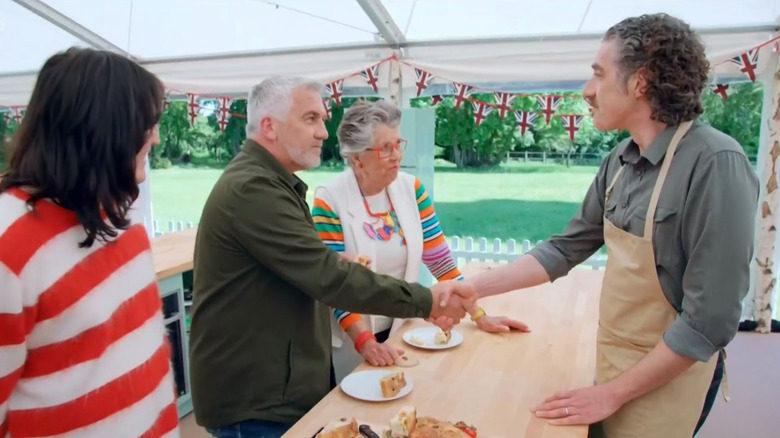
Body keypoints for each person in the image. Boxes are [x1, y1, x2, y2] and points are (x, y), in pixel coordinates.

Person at [461, 13, 759, 438]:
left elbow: (708, 322)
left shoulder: (715, 163)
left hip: (667, 375)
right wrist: (475, 288)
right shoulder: (620, 157)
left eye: (598, 74)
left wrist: (613, 393)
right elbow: (567, 248)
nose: (587, 90)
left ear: (640, 81)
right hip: (613, 359)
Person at [189, 76, 476, 438]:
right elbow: (328, 277)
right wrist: (426, 300)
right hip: (258, 397)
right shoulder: (254, 189)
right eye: (310, 119)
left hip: (280, 383)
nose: (324, 132)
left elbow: (314, 265)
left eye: (322, 120)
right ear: (269, 127)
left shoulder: (273, 183)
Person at [0, 48, 179, 438]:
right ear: (104, 128)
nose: (158, 138)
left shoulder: (122, 221)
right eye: (148, 125)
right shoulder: (9, 245)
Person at [312, 100, 529, 380]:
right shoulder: (329, 199)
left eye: (398, 144)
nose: (397, 156)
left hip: (403, 328)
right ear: (357, 159)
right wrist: (365, 342)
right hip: (354, 338)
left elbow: (441, 263)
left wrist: (478, 314)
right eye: (385, 148)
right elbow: (334, 284)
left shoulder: (411, 189)